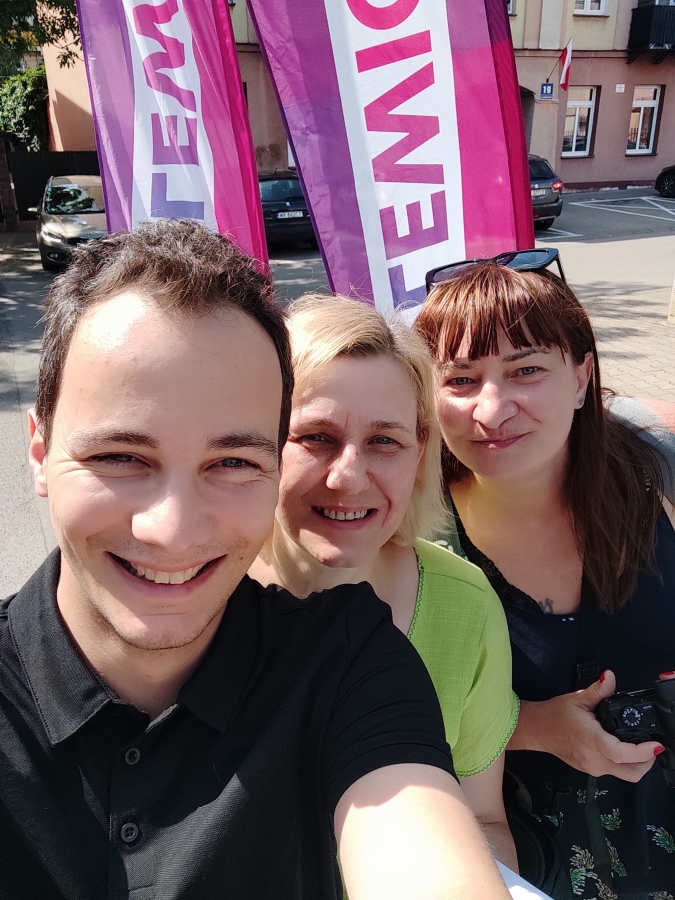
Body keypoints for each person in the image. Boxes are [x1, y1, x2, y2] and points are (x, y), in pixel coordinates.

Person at [0, 220, 512, 900]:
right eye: (120, 456)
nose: (172, 530)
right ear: (39, 451)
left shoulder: (350, 659)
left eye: (233, 462)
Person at [413, 255, 675, 899]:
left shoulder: (656, 476)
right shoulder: (414, 538)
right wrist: (534, 726)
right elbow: (399, 721)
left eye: (526, 370)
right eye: (461, 379)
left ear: (581, 377)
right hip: (524, 853)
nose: (492, 409)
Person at [249, 294, 520, 871]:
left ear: (419, 452)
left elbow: (483, 820)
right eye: (315, 436)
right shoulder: (198, 592)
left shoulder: (464, 605)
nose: (348, 478)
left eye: (383, 441)